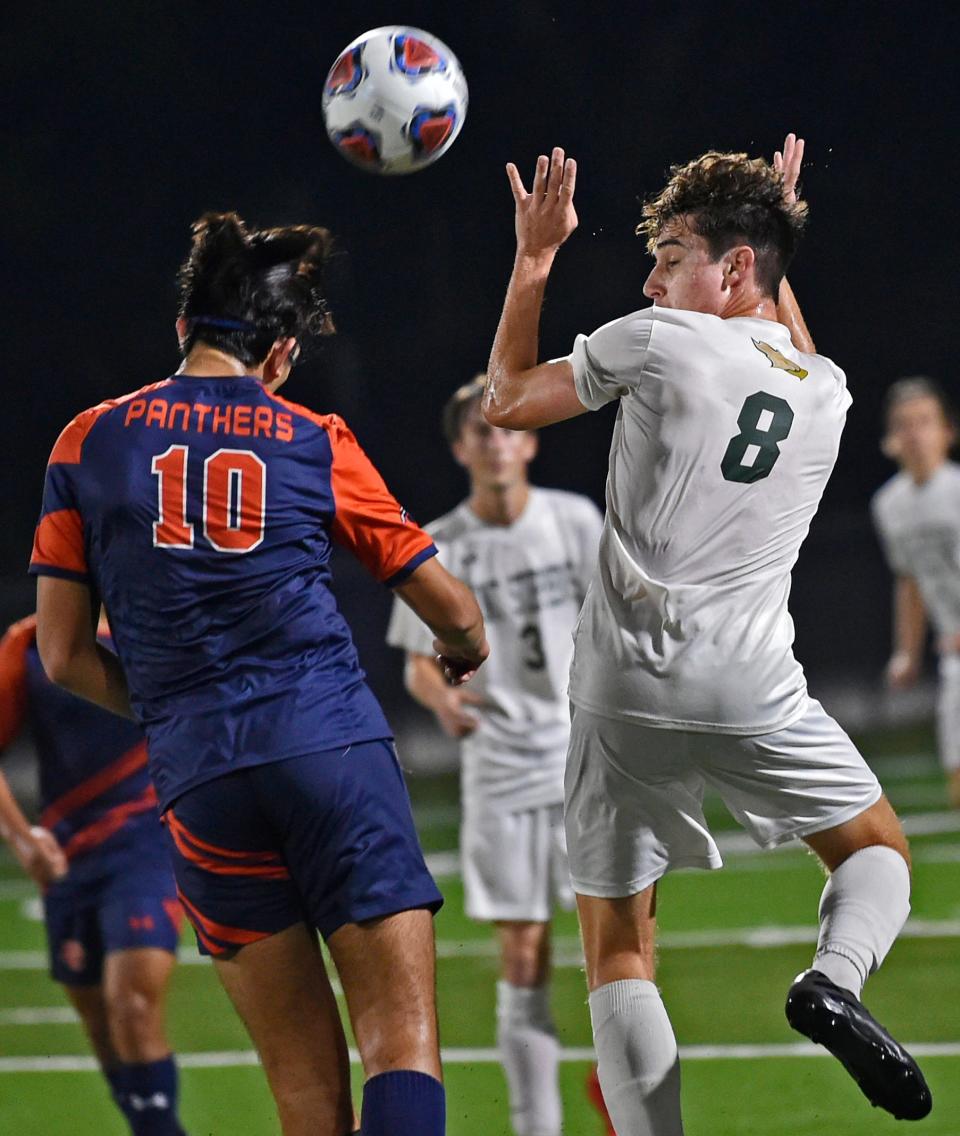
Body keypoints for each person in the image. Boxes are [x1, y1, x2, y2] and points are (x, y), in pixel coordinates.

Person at [480, 135, 932, 1133]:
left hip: (618, 689)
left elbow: (505, 399)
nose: (650, 276)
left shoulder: (657, 338)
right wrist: (772, 238)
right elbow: (791, 347)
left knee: (620, 946)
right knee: (876, 854)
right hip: (753, 687)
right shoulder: (828, 392)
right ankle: (833, 980)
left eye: (672, 252)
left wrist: (536, 258)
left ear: (732, 270)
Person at [29, 212, 489, 1136]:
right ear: (280, 352)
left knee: (302, 1089)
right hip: (329, 752)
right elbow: (452, 606)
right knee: (399, 1042)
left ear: (183, 329)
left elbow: (64, 655)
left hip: (199, 779)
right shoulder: (310, 437)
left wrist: (165, 709)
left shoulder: (85, 442)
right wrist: (464, 650)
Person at [387, 375, 603, 1136]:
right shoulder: (441, 543)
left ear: (530, 439)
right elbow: (417, 659)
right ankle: (534, 1125)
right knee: (523, 952)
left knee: (619, 941)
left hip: (589, 756)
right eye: (481, 432)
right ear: (461, 449)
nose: (497, 442)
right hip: (503, 764)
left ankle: (624, 1094)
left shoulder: (577, 522)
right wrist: (442, 699)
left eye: (507, 429)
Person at [0, 612, 188, 1136]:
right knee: (101, 1026)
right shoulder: (31, 642)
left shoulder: (162, 619)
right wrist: (23, 840)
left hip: (150, 842)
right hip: (68, 855)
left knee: (131, 1004)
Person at [871, 377, 960, 808]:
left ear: (947, 432)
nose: (916, 434)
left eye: (925, 422)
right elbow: (908, 580)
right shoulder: (890, 505)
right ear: (890, 440)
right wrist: (906, 652)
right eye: (904, 425)